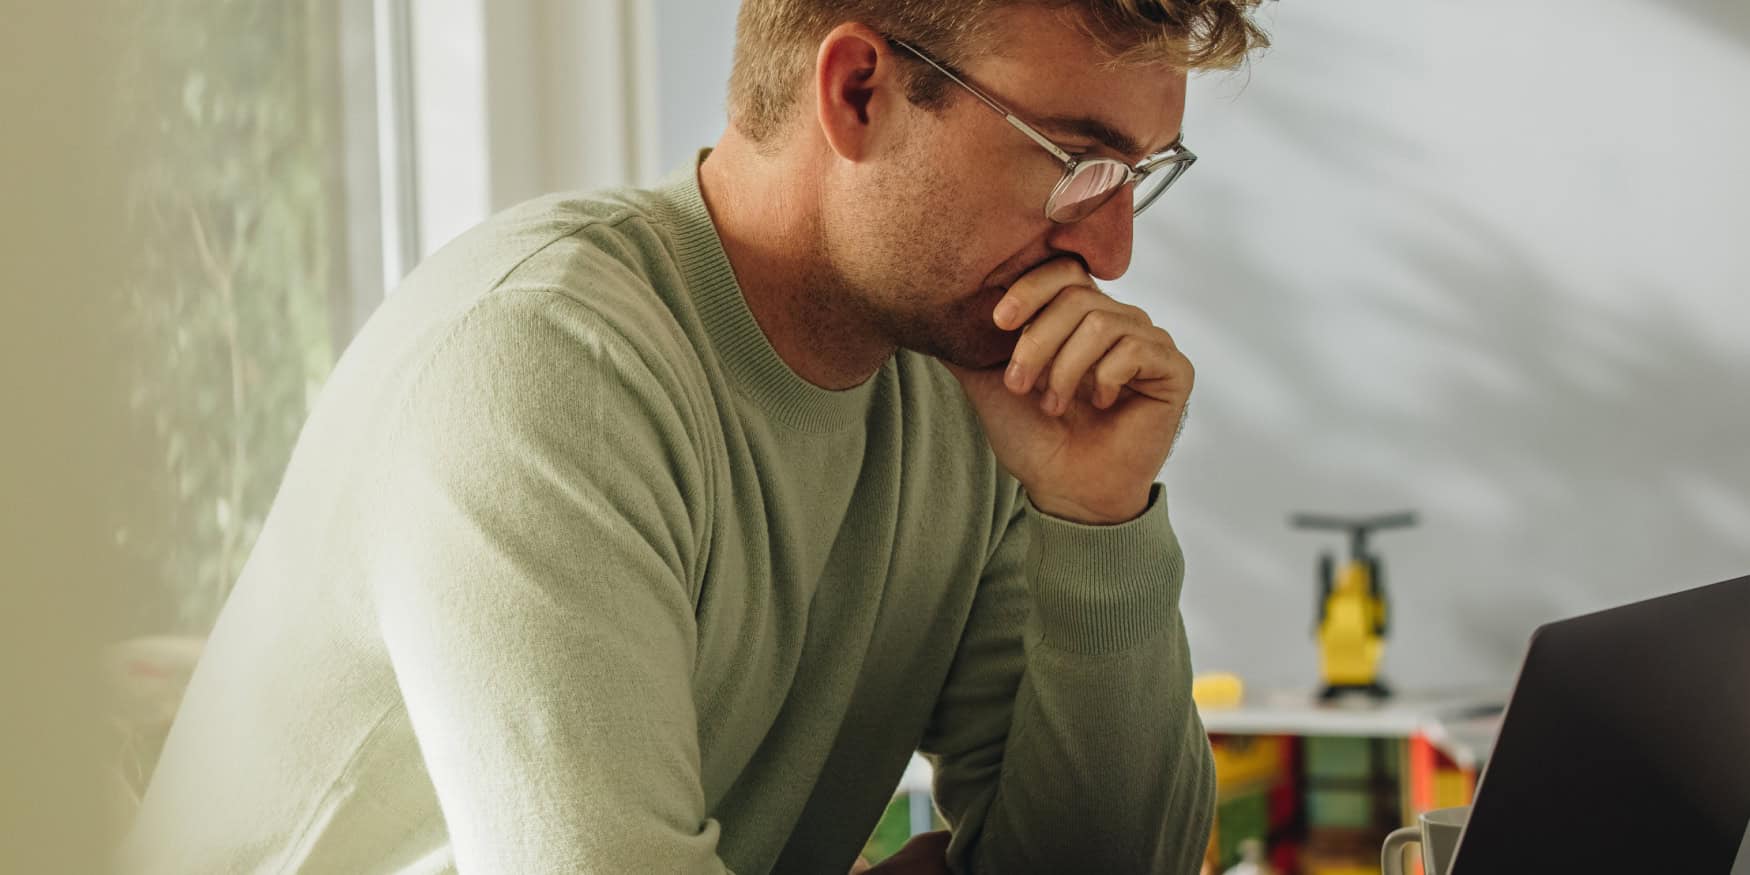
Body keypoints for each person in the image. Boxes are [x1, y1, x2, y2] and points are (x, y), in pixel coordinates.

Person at [116, 1, 1269, 872]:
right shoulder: (541, 358)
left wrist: (1096, 516)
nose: (1110, 250)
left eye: (1137, 174)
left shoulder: (970, 381)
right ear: (857, 91)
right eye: (1076, 164)